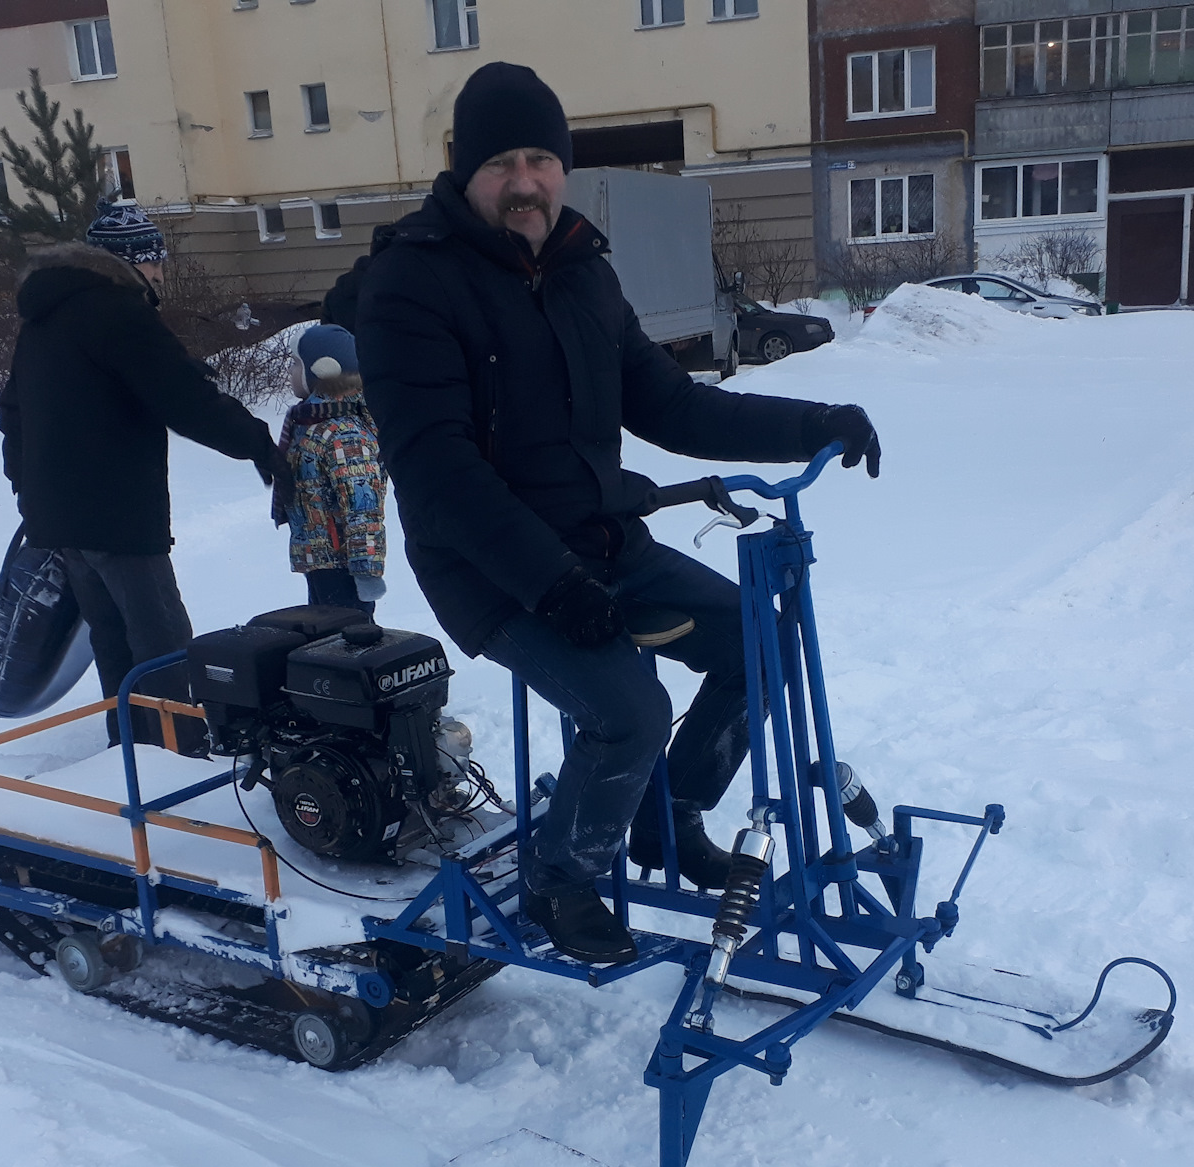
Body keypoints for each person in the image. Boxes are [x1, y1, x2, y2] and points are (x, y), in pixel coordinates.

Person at [337, 62, 881, 964]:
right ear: (463, 170)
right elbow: (438, 474)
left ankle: (668, 821)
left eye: (541, 159)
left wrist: (813, 423)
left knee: (765, 646)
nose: (526, 181)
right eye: (503, 162)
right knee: (628, 708)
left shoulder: (583, 267)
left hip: (602, 542)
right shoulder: (410, 286)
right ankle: (564, 878)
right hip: (490, 566)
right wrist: (552, 586)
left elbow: (670, 403)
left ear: (562, 167)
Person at [0, 200, 287, 748]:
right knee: (161, 640)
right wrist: (259, 445)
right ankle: (178, 755)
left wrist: (27, 487)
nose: (161, 273)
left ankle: (130, 748)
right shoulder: (117, 310)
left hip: (60, 517)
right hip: (117, 515)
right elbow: (184, 399)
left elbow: (14, 412)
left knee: (112, 641)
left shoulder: (44, 317)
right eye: (156, 262)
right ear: (132, 262)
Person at [274, 324, 389, 616]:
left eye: (296, 364)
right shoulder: (310, 422)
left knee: (349, 641)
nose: (289, 371)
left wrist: (365, 571)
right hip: (320, 557)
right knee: (326, 643)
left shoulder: (344, 433)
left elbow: (363, 508)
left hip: (342, 565)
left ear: (321, 369)